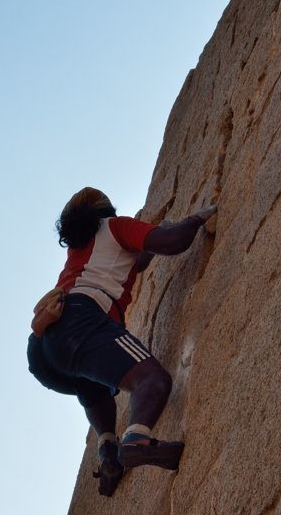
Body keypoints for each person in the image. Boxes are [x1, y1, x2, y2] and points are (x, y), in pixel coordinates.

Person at [27, 187, 217, 496]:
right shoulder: (115, 227)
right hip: (81, 322)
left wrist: (150, 244)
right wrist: (194, 220)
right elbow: (173, 242)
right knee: (152, 379)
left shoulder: (80, 248)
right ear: (107, 210)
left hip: (45, 351)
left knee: (91, 381)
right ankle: (136, 441)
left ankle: (108, 450)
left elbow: (135, 261)